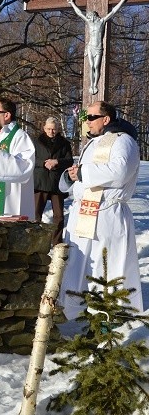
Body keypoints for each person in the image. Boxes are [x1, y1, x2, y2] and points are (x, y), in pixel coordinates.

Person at [58, 100, 143, 320]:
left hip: (106, 215)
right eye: (86, 117)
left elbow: (120, 171)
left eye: (92, 117)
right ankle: (73, 314)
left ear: (106, 119)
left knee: (104, 269)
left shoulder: (123, 141)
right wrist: (70, 177)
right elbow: (82, 176)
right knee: (78, 264)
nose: (87, 121)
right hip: (85, 212)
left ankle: (104, 321)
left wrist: (83, 173)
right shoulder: (94, 143)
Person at [67, 0, 130, 95]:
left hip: (98, 47)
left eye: (90, 16)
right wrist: (72, 3)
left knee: (96, 66)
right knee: (91, 66)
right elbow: (79, 13)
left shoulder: (102, 21)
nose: (89, 17)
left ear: (94, 15)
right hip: (91, 47)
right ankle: (91, 85)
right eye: (89, 16)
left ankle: (95, 85)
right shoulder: (89, 23)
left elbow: (113, 11)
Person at [33, 117, 73, 245]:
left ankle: (57, 242)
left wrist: (57, 162)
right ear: (44, 128)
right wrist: (43, 163)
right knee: (36, 214)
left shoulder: (64, 143)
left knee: (59, 216)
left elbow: (69, 161)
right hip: (41, 181)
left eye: (54, 129)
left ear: (58, 129)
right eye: (49, 129)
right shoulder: (36, 141)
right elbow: (30, 159)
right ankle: (35, 240)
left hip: (57, 183)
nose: (51, 131)